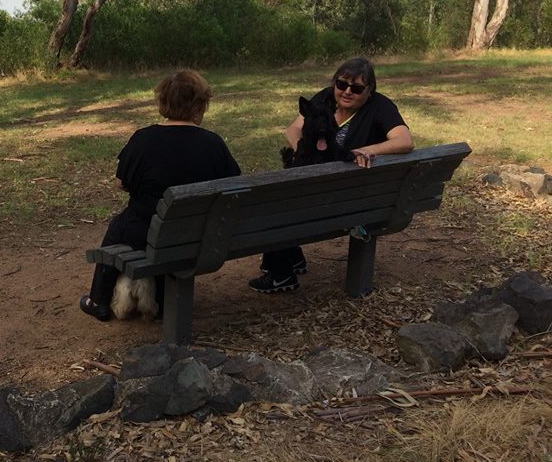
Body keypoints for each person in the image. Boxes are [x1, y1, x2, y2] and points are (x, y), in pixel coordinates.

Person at [80, 70, 241, 321]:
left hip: (145, 233)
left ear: (163, 102)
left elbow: (121, 183)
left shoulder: (143, 139)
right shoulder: (214, 143)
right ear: (200, 106)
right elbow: (233, 186)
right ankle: (163, 299)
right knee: (147, 228)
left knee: (118, 227)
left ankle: (98, 300)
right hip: (198, 234)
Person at [249, 57, 414, 294]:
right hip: (325, 192)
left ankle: (281, 273)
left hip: (349, 201)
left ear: (370, 90)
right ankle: (291, 258)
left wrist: (366, 150)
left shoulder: (380, 106)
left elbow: (405, 141)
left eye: (356, 88)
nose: (347, 92)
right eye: (341, 84)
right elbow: (293, 129)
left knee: (277, 203)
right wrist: (303, 150)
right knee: (285, 194)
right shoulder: (325, 97)